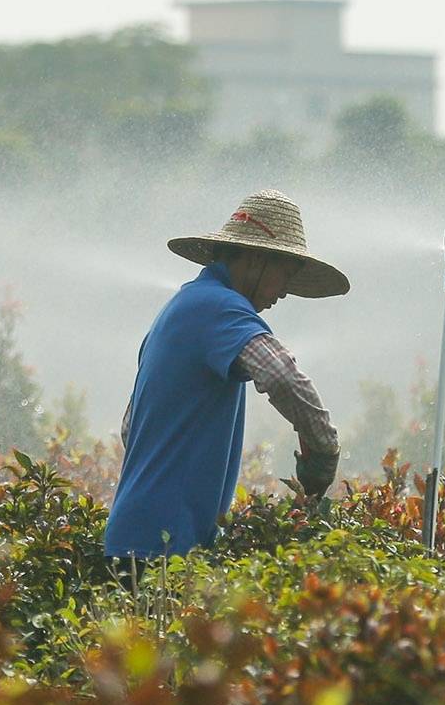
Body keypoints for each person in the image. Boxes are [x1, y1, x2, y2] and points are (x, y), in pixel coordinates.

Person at [103, 190, 344, 562]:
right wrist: (324, 449)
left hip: (138, 536)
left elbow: (129, 428)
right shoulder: (220, 308)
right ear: (255, 258)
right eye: (285, 275)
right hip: (163, 547)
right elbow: (282, 376)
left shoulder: (183, 308)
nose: (284, 292)